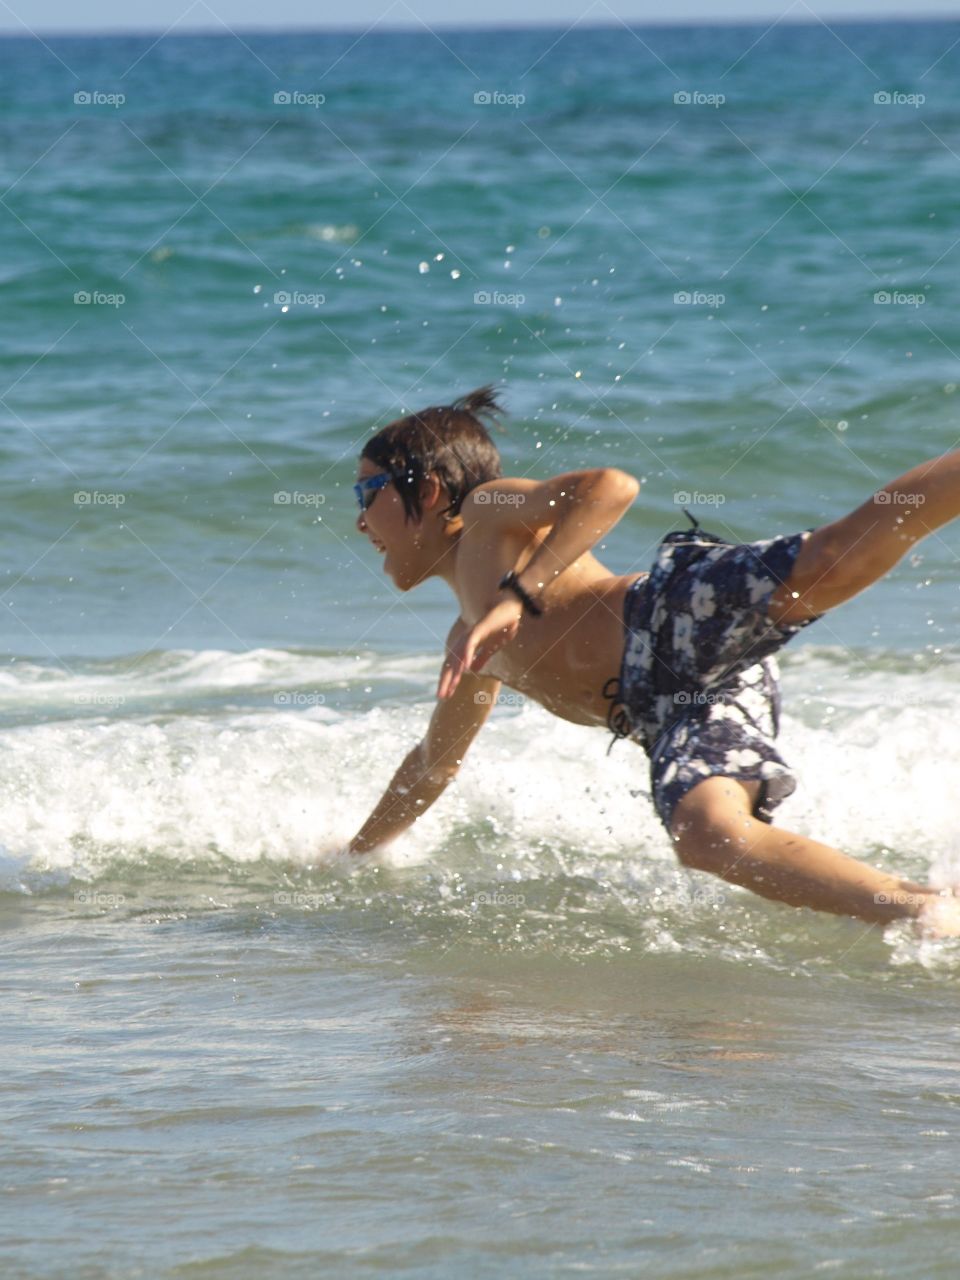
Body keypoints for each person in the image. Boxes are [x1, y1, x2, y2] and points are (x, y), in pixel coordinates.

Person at [348, 385, 960, 936]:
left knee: (832, 559)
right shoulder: (473, 645)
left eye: (366, 492)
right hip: (674, 711)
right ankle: (925, 908)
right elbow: (432, 766)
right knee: (707, 838)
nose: (358, 521)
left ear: (427, 492)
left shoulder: (484, 515)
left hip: (669, 616)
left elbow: (609, 487)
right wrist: (352, 858)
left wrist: (519, 594)